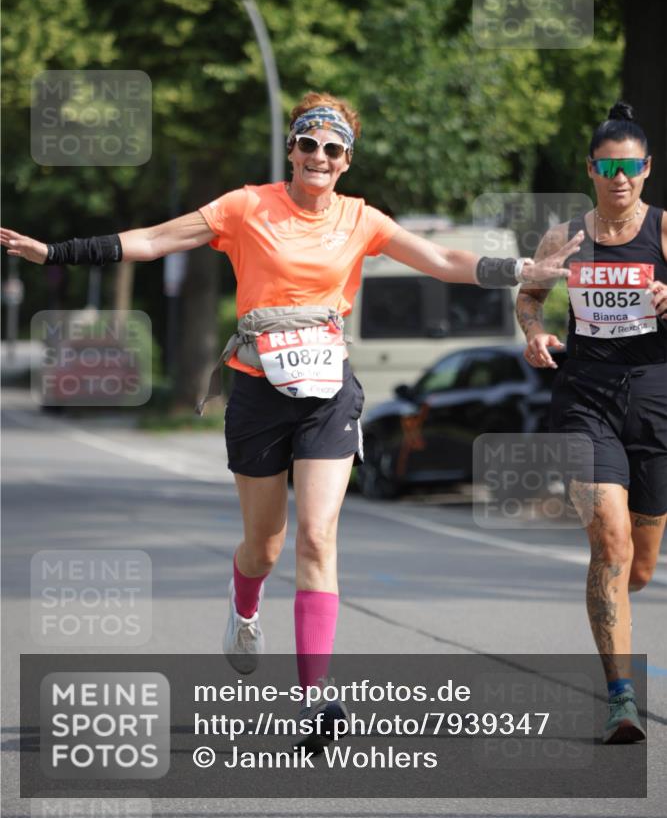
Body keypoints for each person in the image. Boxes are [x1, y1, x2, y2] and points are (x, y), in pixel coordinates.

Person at [2, 90, 582, 750]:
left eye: (332, 149)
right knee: (264, 547)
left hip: (328, 391)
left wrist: (523, 268)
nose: (318, 156)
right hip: (257, 391)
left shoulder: (361, 219)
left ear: (346, 161)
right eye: (308, 143)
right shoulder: (244, 207)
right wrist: (57, 253)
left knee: (317, 537)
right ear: (292, 149)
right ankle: (245, 604)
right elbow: (156, 239)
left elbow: (444, 260)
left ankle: (314, 699)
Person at [516, 101, 667, 745]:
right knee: (610, 542)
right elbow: (529, 296)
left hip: (655, 399)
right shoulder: (565, 238)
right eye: (608, 167)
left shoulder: (663, 231)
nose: (619, 177)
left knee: (639, 566)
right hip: (585, 399)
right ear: (591, 170)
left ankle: (620, 618)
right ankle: (620, 698)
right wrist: (534, 332)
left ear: (647, 168)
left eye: (629, 166)